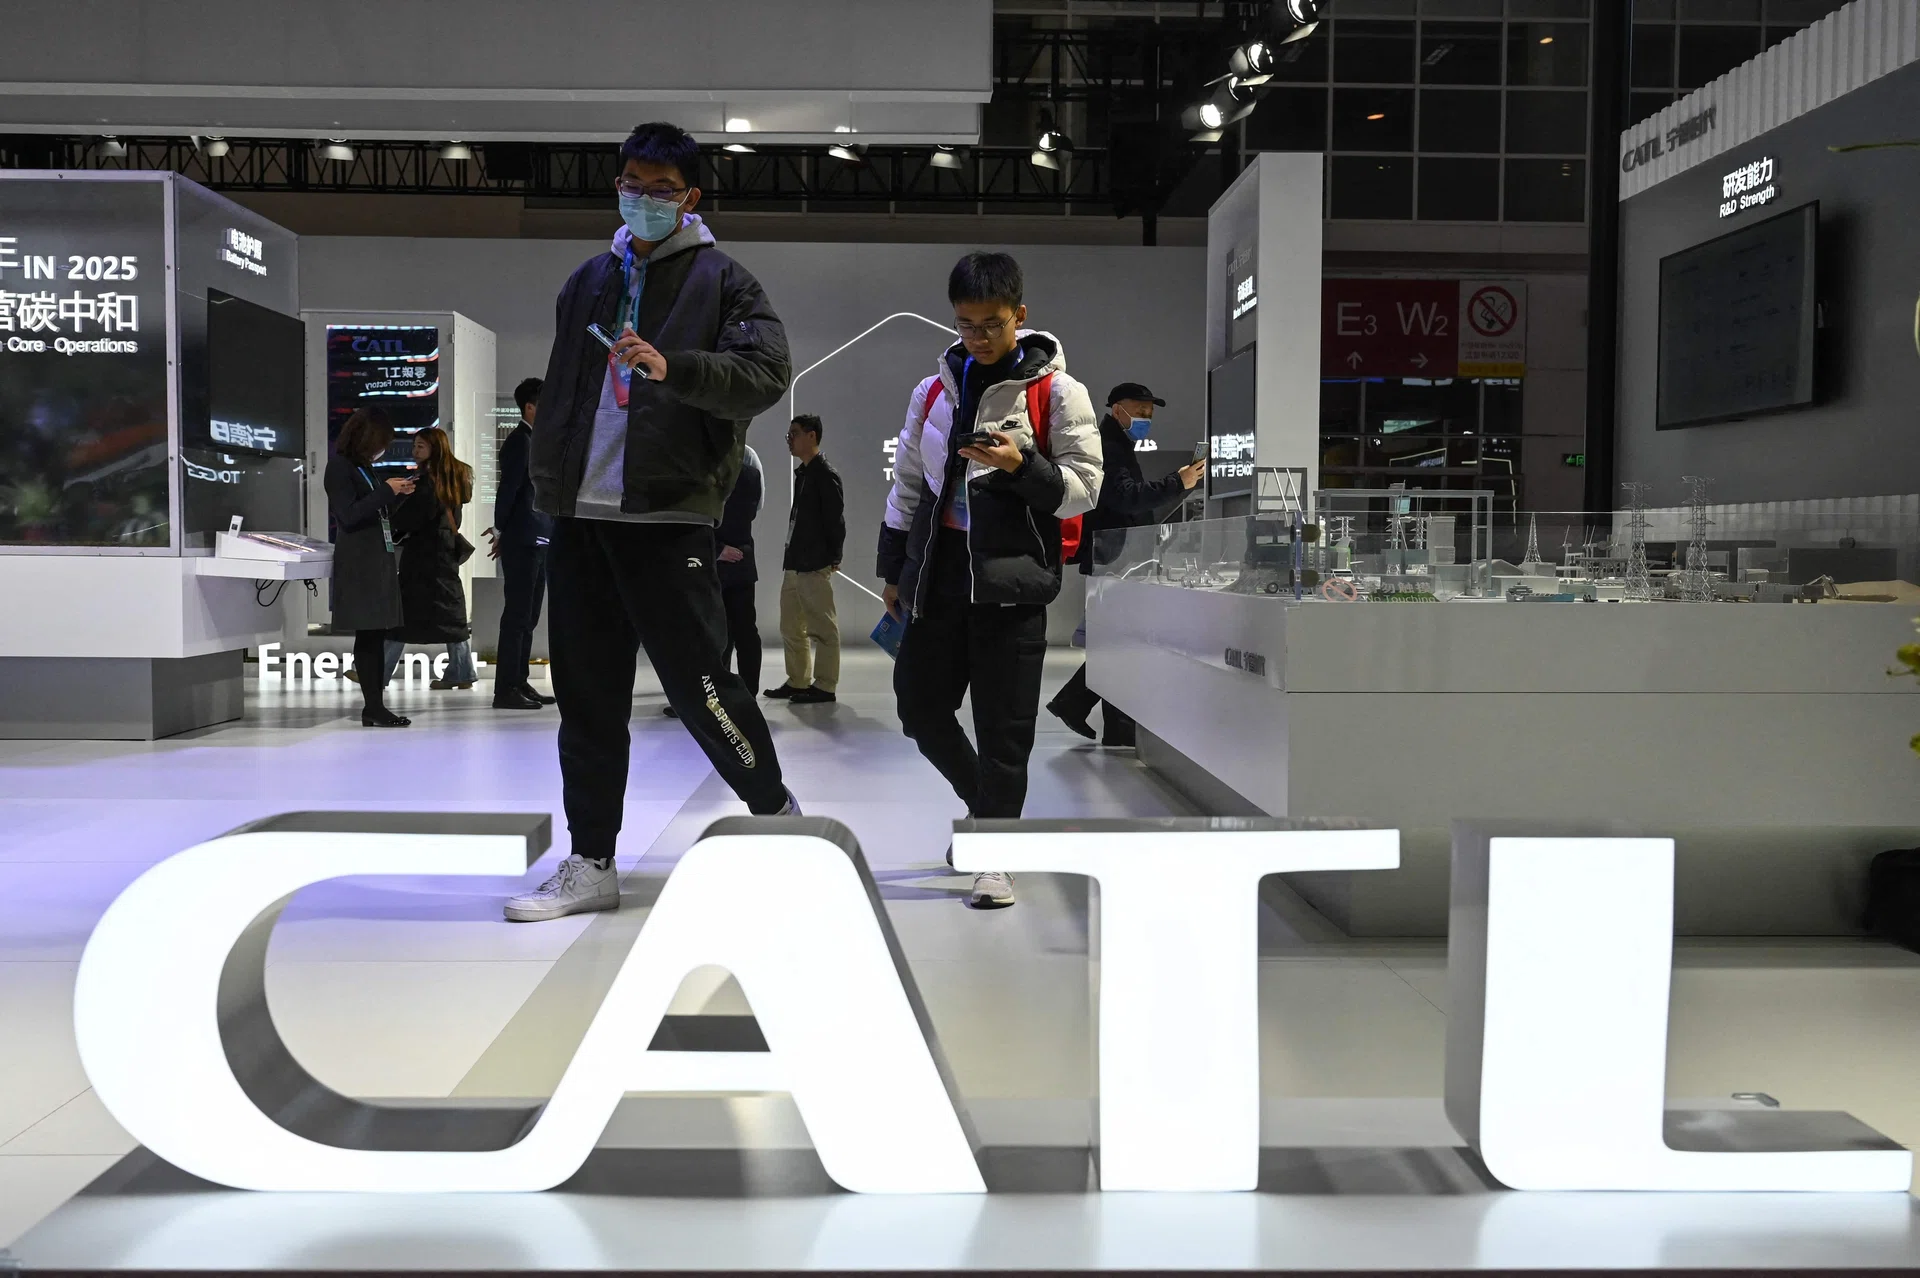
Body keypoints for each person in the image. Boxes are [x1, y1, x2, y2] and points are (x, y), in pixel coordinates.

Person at [506, 120, 798, 924]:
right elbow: (566, 391)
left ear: (690, 197)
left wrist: (679, 368)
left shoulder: (724, 281)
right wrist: (548, 480)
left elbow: (766, 374)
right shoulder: (586, 281)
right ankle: (592, 860)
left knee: (703, 688)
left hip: (667, 514)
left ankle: (777, 814)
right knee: (586, 698)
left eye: (661, 189)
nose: (643, 199)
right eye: (632, 185)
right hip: (580, 517)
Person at [878, 251, 1102, 910]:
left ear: (1019, 316)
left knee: (1005, 729)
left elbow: (1084, 489)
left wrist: (1020, 465)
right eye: (966, 324)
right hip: (939, 575)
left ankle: (995, 854)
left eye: (992, 324)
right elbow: (909, 484)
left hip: (1012, 582)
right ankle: (987, 814)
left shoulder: (1058, 392)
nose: (978, 337)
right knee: (919, 708)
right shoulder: (933, 390)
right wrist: (893, 569)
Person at [1047, 383, 1204, 748]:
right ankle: (1097, 716)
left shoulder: (1116, 444)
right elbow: (1125, 498)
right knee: (1122, 645)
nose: (1146, 418)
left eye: (1150, 412)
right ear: (1117, 409)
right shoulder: (1110, 447)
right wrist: (1177, 482)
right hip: (1115, 558)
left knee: (1119, 643)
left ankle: (1086, 710)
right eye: (1140, 410)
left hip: (1117, 558)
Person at [323, 407, 415, 728]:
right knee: (368, 633)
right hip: (359, 561)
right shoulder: (339, 467)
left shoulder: (364, 468)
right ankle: (373, 706)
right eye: (381, 443)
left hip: (377, 557)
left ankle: (375, 706)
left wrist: (397, 495)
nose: (382, 450)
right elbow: (349, 515)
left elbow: (375, 511)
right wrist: (386, 491)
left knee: (376, 633)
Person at [667, 444, 762, 719]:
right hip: (739, 560)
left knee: (711, 636)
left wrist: (718, 549)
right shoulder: (751, 475)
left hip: (710, 564)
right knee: (740, 633)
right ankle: (744, 697)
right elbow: (748, 515)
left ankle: (711, 698)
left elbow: (693, 521)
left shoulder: (704, 475)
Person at [382, 427, 478, 691]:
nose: (415, 451)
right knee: (451, 615)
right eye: (414, 445)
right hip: (444, 552)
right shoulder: (453, 477)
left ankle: (377, 671)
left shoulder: (426, 483)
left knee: (402, 614)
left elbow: (409, 519)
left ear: (434, 448)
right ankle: (461, 671)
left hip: (422, 555)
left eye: (420, 446)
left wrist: (397, 501)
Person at [765, 414, 844, 706]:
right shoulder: (805, 473)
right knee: (790, 627)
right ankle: (797, 680)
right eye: (788, 435)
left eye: (794, 434)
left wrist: (834, 556)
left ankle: (825, 685)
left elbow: (835, 520)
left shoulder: (825, 474)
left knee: (823, 628)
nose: (790, 440)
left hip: (814, 562)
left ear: (812, 436)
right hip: (795, 562)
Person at [487, 376, 555, 711]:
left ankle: (519, 679)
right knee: (517, 616)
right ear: (529, 407)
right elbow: (509, 491)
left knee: (528, 616)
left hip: (537, 537)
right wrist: (502, 530)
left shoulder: (532, 441)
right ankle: (506, 688)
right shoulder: (520, 442)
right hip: (524, 538)